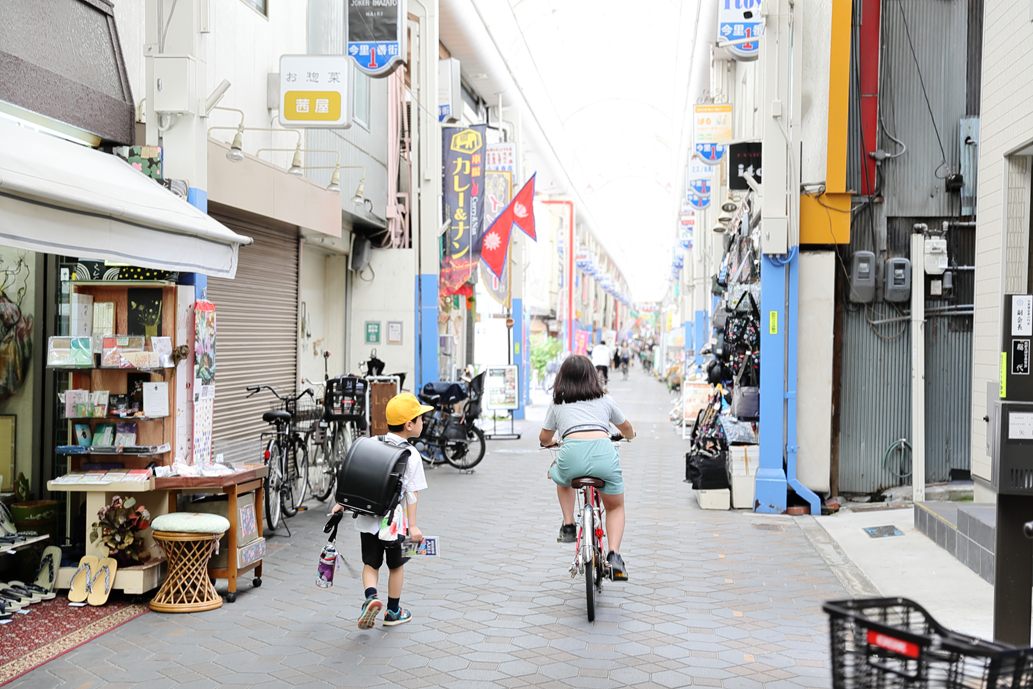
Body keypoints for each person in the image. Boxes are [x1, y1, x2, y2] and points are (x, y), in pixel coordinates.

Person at [331, 392, 431, 629]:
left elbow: (354, 477)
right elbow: (411, 494)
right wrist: (413, 526)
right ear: (409, 425)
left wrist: (341, 503)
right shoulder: (411, 454)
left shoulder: (371, 444)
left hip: (367, 519)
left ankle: (370, 598)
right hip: (394, 524)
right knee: (396, 566)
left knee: (371, 564)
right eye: (420, 418)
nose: (423, 422)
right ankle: (393, 611)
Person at [539, 355, 636, 580]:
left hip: (570, 455)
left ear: (561, 378)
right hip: (604, 454)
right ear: (593, 376)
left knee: (560, 476)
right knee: (614, 506)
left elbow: (544, 437)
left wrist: (550, 442)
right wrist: (629, 435)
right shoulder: (605, 399)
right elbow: (627, 427)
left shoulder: (558, 403)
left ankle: (569, 525)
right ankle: (614, 556)